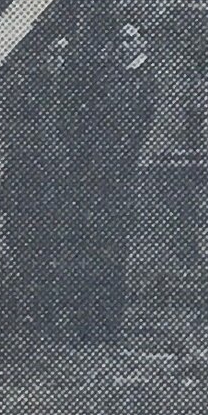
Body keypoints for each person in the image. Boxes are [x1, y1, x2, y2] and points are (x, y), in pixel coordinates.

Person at [63, 21, 158, 343]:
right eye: (119, 39)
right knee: (89, 250)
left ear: (143, 43)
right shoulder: (109, 76)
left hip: (116, 180)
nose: (122, 45)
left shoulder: (143, 83)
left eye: (130, 38)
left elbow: (124, 129)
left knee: (111, 253)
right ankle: (86, 322)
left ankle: (106, 324)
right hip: (95, 178)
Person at [0, 25, 74, 337]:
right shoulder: (28, 90)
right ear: (42, 56)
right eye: (53, 53)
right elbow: (19, 140)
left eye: (63, 54)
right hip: (27, 185)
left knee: (51, 252)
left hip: (54, 187)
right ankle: (14, 317)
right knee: (22, 251)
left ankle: (45, 318)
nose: (58, 60)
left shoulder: (68, 92)